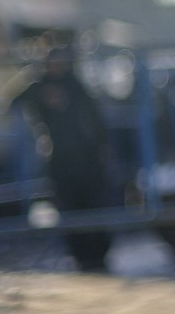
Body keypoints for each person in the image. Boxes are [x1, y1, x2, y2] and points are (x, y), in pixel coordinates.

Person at [9, 44, 114, 273]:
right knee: (69, 210)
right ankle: (80, 254)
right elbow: (13, 102)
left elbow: (96, 121)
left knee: (94, 207)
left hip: (87, 159)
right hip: (60, 160)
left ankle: (99, 253)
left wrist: (102, 149)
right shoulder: (39, 87)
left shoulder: (77, 87)